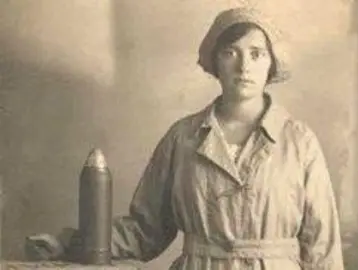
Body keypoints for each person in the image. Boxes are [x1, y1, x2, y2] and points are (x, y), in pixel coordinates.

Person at [106, 7, 345, 269]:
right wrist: (74, 242)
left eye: (256, 54)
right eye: (231, 53)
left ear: (271, 63)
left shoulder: (299, 142)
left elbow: (323, 248)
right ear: (215, 62)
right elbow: (145, 231)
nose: (244, 66)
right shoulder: (182, 138)